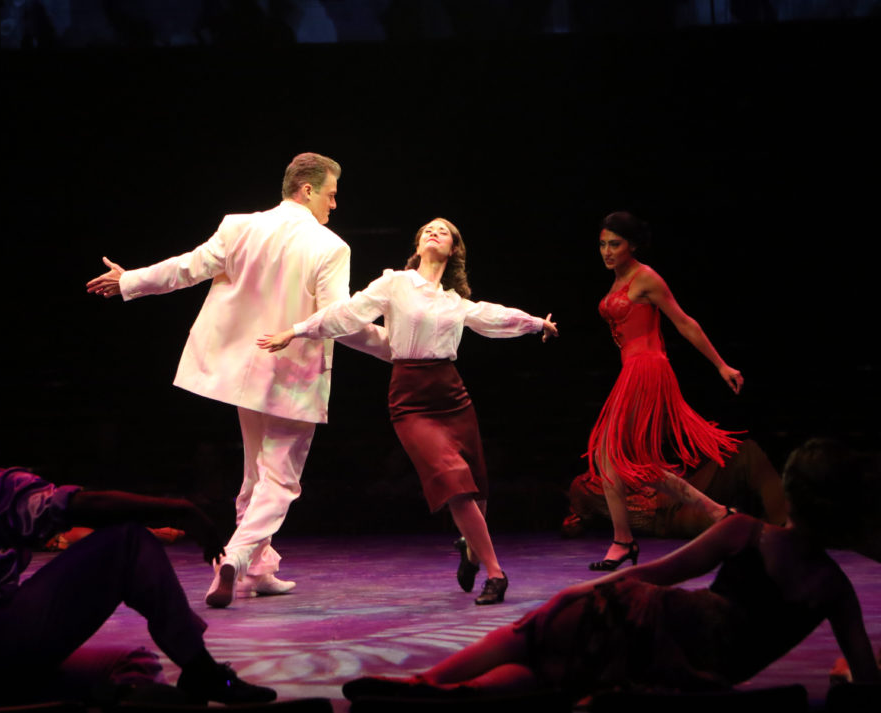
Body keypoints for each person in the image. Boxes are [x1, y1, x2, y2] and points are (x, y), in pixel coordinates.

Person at [342, 438, 881, 702]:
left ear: (791, 490)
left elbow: (654, 576)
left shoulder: (748, 532)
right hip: (686, 676)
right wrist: (842, 676)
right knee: (558, 680)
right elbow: (866, 677)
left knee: (533, 636)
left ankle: (427, 683)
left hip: (655, 624)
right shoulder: (833, 589)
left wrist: (577, 592)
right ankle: (456, 697)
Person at [86, 152, 389, 608]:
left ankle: (259, 570)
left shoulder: (239, 226)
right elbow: (337, 321)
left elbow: (187, 268)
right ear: (307, 190)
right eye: (331, 194)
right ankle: (236, 558)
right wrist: (399, 347)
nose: (334, 204)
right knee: (281, 479)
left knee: (255, 475)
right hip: (292, 375)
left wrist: (131, 281)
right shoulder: (330, 246)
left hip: (247, 373)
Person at [0, 397, 276, 708]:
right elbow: (84, 505)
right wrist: (180, 510)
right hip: (3, 643)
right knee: (128, 543)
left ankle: (112, 696)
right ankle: (202, 674)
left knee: (134, 664)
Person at [258, 218, 558, 605]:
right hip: (411, 398)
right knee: (455, 484)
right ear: (418, 243)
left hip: (452, 395)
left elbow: (495, 317)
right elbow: (346, 313)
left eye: (444, 231)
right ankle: (496, 574)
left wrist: (537, 324)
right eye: (428, 229)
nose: (435, 232)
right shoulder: (394, 284)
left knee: (477, 487)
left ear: (453, 251)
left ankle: (469, 550)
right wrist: (296, 330)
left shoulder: (454, 301)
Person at [585, 211, 743, 571]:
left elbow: (685, 322)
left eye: (615, 244)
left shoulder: (646, 277)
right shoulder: (619, 281)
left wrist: (721, 365)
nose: (607, 251)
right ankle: (718, 513)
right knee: (635, 465)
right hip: (632, 370)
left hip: (648, 368)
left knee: (608, 455)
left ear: (633, 245)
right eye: (603, 244)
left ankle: (622, 541)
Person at [562, 438, 788, 539]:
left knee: (746, 451)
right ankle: (770, 537)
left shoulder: (634, 455)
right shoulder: (584, 485)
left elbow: (674, 476)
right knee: (729, 522)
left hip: (687, 489)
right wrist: (572, 525)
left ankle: (788, 527)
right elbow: (579, 520)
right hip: (665, 517)